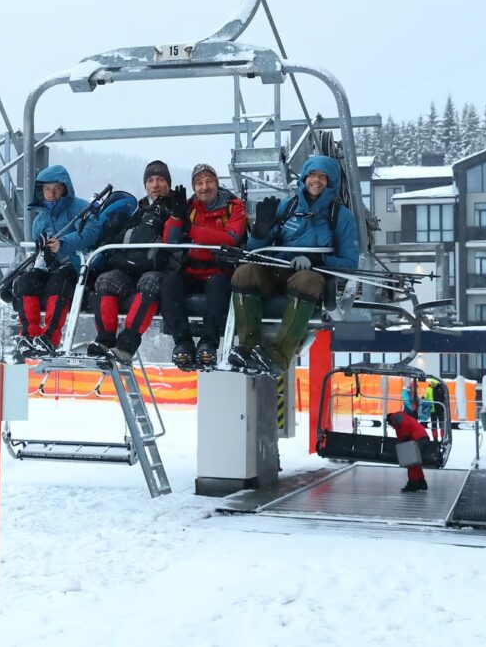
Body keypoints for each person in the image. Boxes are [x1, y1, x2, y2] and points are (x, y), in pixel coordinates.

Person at [228, 155, 360, 376]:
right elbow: (254, 251)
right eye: (312, 175)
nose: (316, 181)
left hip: (310, 277)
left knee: (305, 280)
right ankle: (248, 348)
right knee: (244, 274)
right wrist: (260, 232)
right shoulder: (287, 207)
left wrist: (318, 262)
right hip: (276, 271)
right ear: (304, 178)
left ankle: (278, 356)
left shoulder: (341, 217)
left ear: (331, 182)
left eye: (322, 177)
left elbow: (350, 263)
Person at [87, 160, 180, 363]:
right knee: (106, 280)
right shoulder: (139, 211)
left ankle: (126, 345)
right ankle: (105, 339)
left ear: (168, 184)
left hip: (160, 269)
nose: (155, 185)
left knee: (150, 283)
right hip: (131, 267)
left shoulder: (177, 207)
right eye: (151, 180)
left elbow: (177, 241)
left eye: (160, 180)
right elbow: (121, 238)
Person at [161, 163, 247, 369]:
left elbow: (231, 238)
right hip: (193, 269)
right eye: (199, 183)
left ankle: (209, 342)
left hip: (220, 269)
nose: (204, 187)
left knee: (217, 286)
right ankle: (183, 342)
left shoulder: (233, 207)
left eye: (209, 181)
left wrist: (195, 232)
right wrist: (175, 217)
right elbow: (170, 242)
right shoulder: (190, 208)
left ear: (216, 183)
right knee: (169, 284)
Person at [11, 164, 102, 354]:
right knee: (25, 281)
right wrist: (43, 256)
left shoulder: (80, 208)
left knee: (58, 282)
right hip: (50, 267)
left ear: (65, 189)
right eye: (47, 189)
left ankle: (50, 337)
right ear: (40, 191)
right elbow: (39, 249)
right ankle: (29, 335)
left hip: (77, 267)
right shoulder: (40, 220)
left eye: (56, 188)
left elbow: (92, 233)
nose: (51, 194)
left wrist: (63, 243)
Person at [386, 410, 430, 492]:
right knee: (415, 462)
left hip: (417, 438)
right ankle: (421, 482)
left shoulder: (396, 419)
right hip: (422, 437)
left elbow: (404, 431)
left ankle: (412, 484)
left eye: (389, 424)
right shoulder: (402, 418)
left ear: (390, 420)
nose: (391, 426)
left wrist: (405, 438)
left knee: (411, 462)